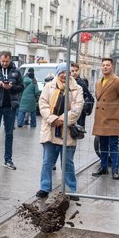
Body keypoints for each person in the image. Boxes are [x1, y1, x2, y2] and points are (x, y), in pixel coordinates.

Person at [36, 62, 84, 201]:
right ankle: (45, 187)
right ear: (57, 73)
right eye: (62, 72)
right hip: (50, 129)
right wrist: (52, 119)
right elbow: (42, 104)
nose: (64, 75)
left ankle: (72, 189)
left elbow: (77, 109)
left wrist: (61, 120)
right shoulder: (49, 86)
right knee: (47, 161)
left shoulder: (77, 89)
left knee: (67, 162)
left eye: (67, 72)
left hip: (67, 131)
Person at [91, 57, 119, 180]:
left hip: (112, 118)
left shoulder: (118, 81)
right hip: (100, 118)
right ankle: (103, 168)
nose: (105, 67)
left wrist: (118, 113)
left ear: (112, 67)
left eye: (107, 65)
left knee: (113, 145)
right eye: (103, 65)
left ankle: (115, 170)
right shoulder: (98, 82)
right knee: (102, 145)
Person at [0, 51, 24, 169]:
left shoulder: (16, 71)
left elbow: (21, 86)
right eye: (3, 61)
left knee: (9, 134)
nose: (4, 63)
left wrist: (12, 87)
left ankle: (8, 160)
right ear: (0, 59)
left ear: (10, 60)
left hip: (10, 106)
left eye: (7, 61)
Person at [71, 62, 95, 131]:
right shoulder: (66, 82)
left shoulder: (82, 82)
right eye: (72, 71)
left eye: (76, 70)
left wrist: (85, 109)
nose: (75, 72)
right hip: (69, 111)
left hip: (80, 113)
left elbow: (90, 98)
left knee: (77, 132)